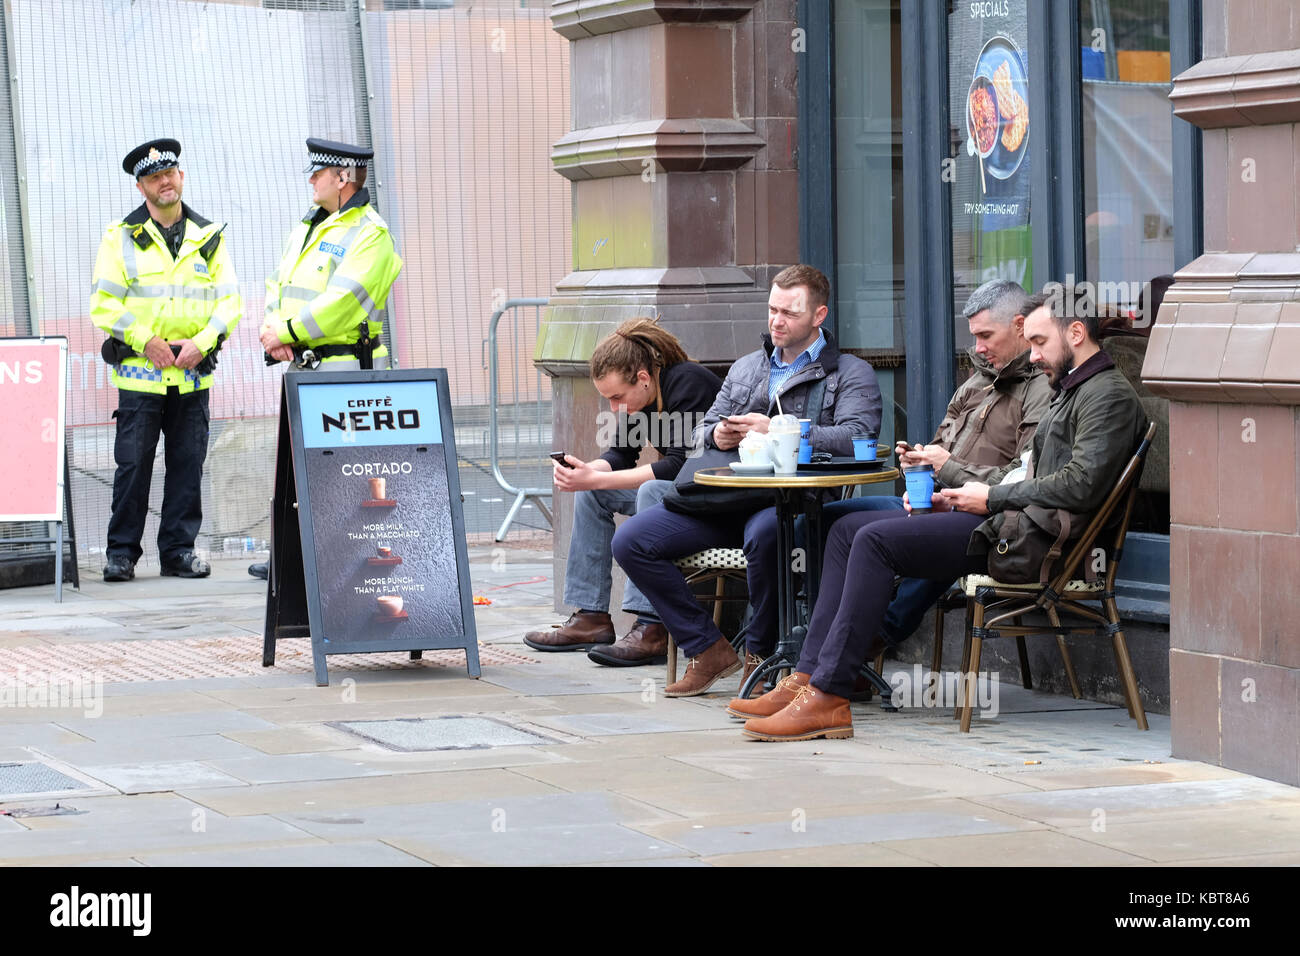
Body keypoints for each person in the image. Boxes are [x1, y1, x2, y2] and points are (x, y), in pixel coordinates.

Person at [731, 290, 1147, 741]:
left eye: (1041, 342)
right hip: (1008, 521)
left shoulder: (1106, 396)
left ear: (1077, 333)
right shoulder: (1073, 390)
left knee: (873, 541)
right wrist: (962, 494)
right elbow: (1025, 468)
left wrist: (989, 498)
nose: (1035, 354)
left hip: (1033, 542)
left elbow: (1080, 485)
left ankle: (829, 696)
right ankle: (809, 676)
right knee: (846, 528)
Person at [609, 264, 882, 696]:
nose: (776, 321)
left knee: (769, 535)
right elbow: (698, 434)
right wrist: (715, 433)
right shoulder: (746, 368)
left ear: (819, 315)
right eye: (772, 309)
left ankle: (759, 654)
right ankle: (709, 647)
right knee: (631, 542)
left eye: (790, 313)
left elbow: (858, 437)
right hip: (723, 501)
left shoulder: (850, 373)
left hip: (796, 504)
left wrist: (780, 429)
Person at [807, 278, 1051, 661]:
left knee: (877, 537)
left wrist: (947, 468)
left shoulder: (1041, 389)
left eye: (986, 336)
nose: (978, 349)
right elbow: (941, 445)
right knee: (827, 521)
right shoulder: (975, 384)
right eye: (974, 337)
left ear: (1021, 326)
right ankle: (813, 652)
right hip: (941, 502)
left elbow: (1023, 477)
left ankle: (860, 645)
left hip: (992, 518)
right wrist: (920, 465)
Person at [524, 320, 722, 665]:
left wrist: (597, 479)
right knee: (592, 494)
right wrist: (587, 472)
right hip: (680, 499)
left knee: (650, 491)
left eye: (617, 397)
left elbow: (678, 467)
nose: (615, 407)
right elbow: (619, 456)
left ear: (643, 378)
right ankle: (592, 618)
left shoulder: (687, 383)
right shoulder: (640, 399)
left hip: (715, 499)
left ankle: (651, 627)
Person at [250, 137, 404, 579]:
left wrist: (286, 333)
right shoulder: (309, 225)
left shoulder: (370, 234)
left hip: (345, 366)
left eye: (319, 173)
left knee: (352, 466)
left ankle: (364, 551)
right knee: (304, 464)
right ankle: (296, 557)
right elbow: (278, 283)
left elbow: (342, 302)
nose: (312, 180)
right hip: (304, 362)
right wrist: (271, 329)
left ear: (343, 179)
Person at [91, 138, 241, 582]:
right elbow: (103, 304)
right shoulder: (121, 238)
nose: (165, 182)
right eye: (155, 177)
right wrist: (145, 340)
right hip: (142, 374)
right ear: (142, 188)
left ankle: (178, 551)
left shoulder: (208, 237)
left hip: (192, 375)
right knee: (134, 466)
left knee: (187, 465)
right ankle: (121, 554)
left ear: (181, 176)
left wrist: (205, 341)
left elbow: (229, 302)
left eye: (170, 173)